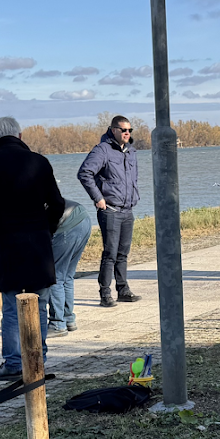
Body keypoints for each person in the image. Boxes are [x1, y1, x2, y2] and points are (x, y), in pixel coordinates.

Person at [0, 117, 65, 380]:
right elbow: (57, 203)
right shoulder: (40, 162)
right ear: (21, 135)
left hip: (7, 243)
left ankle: (13, 364)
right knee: (40, 303)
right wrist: (47, 229)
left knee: (11, 305)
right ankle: (38, 362)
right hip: (38, 242)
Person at [77, 115, 141, 307]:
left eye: (130, 130)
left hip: (127, 210)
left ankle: (123, 290)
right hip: (110, 210)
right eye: (123, 130)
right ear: (113, 130)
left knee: (123, 253)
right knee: (110, 253)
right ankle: (105, 294)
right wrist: (98, 199)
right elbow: (84, 173)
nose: (127, 133)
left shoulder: (131, 151)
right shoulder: (103, 150)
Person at [49, 198, 92, 334]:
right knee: (66, 275)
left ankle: (57, 325)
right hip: (82, 216)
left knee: (54, 277)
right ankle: (68, 319)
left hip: (66, 225)